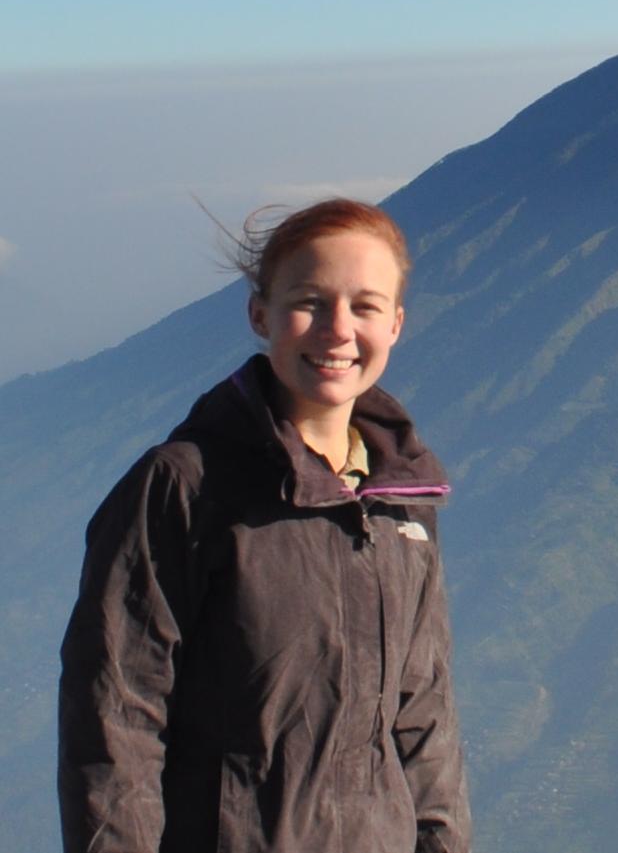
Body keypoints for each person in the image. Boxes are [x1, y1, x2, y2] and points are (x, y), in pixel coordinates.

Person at [57, 198, 471, 853]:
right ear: (260, 314)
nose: (338, 329)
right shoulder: (184, 488)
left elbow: (422, 712)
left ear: (394, 324)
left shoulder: (402, 500)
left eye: (365, 305)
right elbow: (116, 711)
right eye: (310, 300)